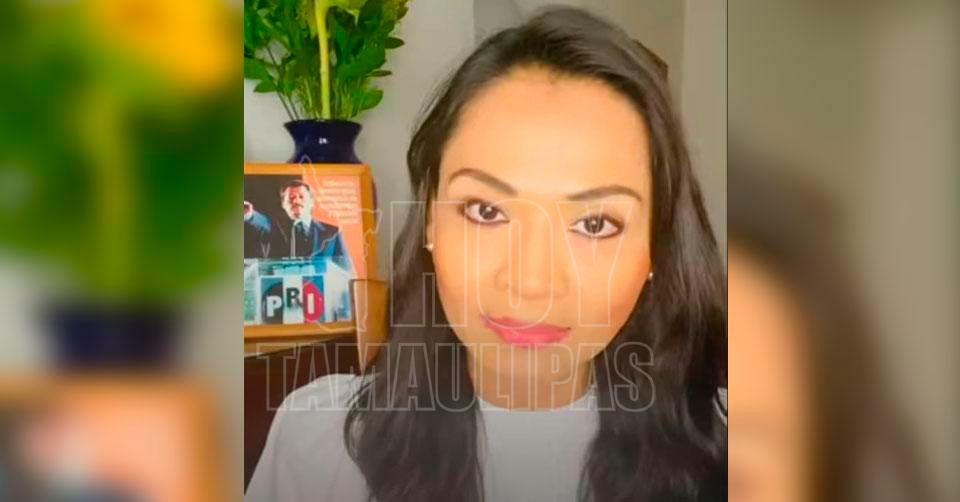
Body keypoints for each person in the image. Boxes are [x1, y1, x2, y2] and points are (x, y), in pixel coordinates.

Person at [247, 7, 726, 502]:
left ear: (656, 249)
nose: (531, 285)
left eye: (595, 223)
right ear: (431, 221)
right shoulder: (318, 447)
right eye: (486, 211)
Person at [244, 180, 353, 274]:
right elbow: (262, 223)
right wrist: (249, 214)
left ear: (312, 201)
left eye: (301, 197)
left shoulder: (333, 232)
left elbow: (345, 270)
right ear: (283, 204)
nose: (296, 201)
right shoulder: (274, 229)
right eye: (291, 198)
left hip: (320, 290)